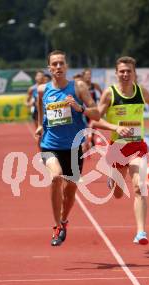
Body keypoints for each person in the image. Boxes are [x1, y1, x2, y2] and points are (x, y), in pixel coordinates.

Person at [91, 56, 149, 245]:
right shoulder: (109, 94)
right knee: (117, 193)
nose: (125, 74)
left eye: (129, 71)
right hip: (117, 149)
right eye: (122, 71)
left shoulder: (141, 92)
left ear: (134, 74)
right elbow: (96, 119)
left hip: (137, 146)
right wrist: (115, 128)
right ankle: (113, 180)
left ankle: (141, 232)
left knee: (140, 186)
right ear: (116, 74)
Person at [35, 50, 100, 246]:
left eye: (61, 63)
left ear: (67, 66)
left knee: (70, 190)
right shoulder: (42, 90)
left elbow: (96, 113)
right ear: (49, 68)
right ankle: (57, 226)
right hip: (49, 145)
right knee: (55, 177)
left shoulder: (78, 87)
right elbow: (40, 107)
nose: (58, 67)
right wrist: (40, 124)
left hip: (73, 147)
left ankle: (63, 220)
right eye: (54, 64)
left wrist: (79, 108)